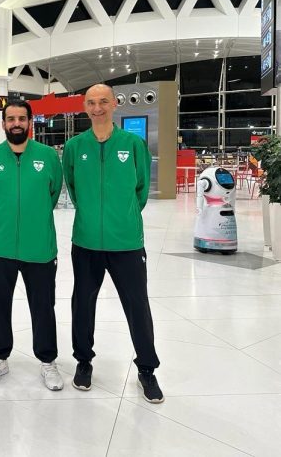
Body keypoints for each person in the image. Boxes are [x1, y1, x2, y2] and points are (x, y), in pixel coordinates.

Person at [62, 83, 164, 403]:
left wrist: (124, 216)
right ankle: (83, 361)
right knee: (83, 304)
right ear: (85, 107)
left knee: (137, 305)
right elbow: (73, 188)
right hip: (86, 242)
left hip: (127, 243)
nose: (97, 108)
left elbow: (141, 189)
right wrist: (91, 215)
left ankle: (146, 368)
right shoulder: (74, 146)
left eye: (103, 101)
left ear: (114, 104)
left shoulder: (132, 144)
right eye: (91, 102)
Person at [0, 100, 64, 390]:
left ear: (30, 122)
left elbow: (53, 194)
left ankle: (48, 361)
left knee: (43, 306)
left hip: (39, 247)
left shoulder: (48, 156)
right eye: (11, 119)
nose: (16, 123)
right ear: (3, 124)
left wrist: (33, 219)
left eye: (21, 118)